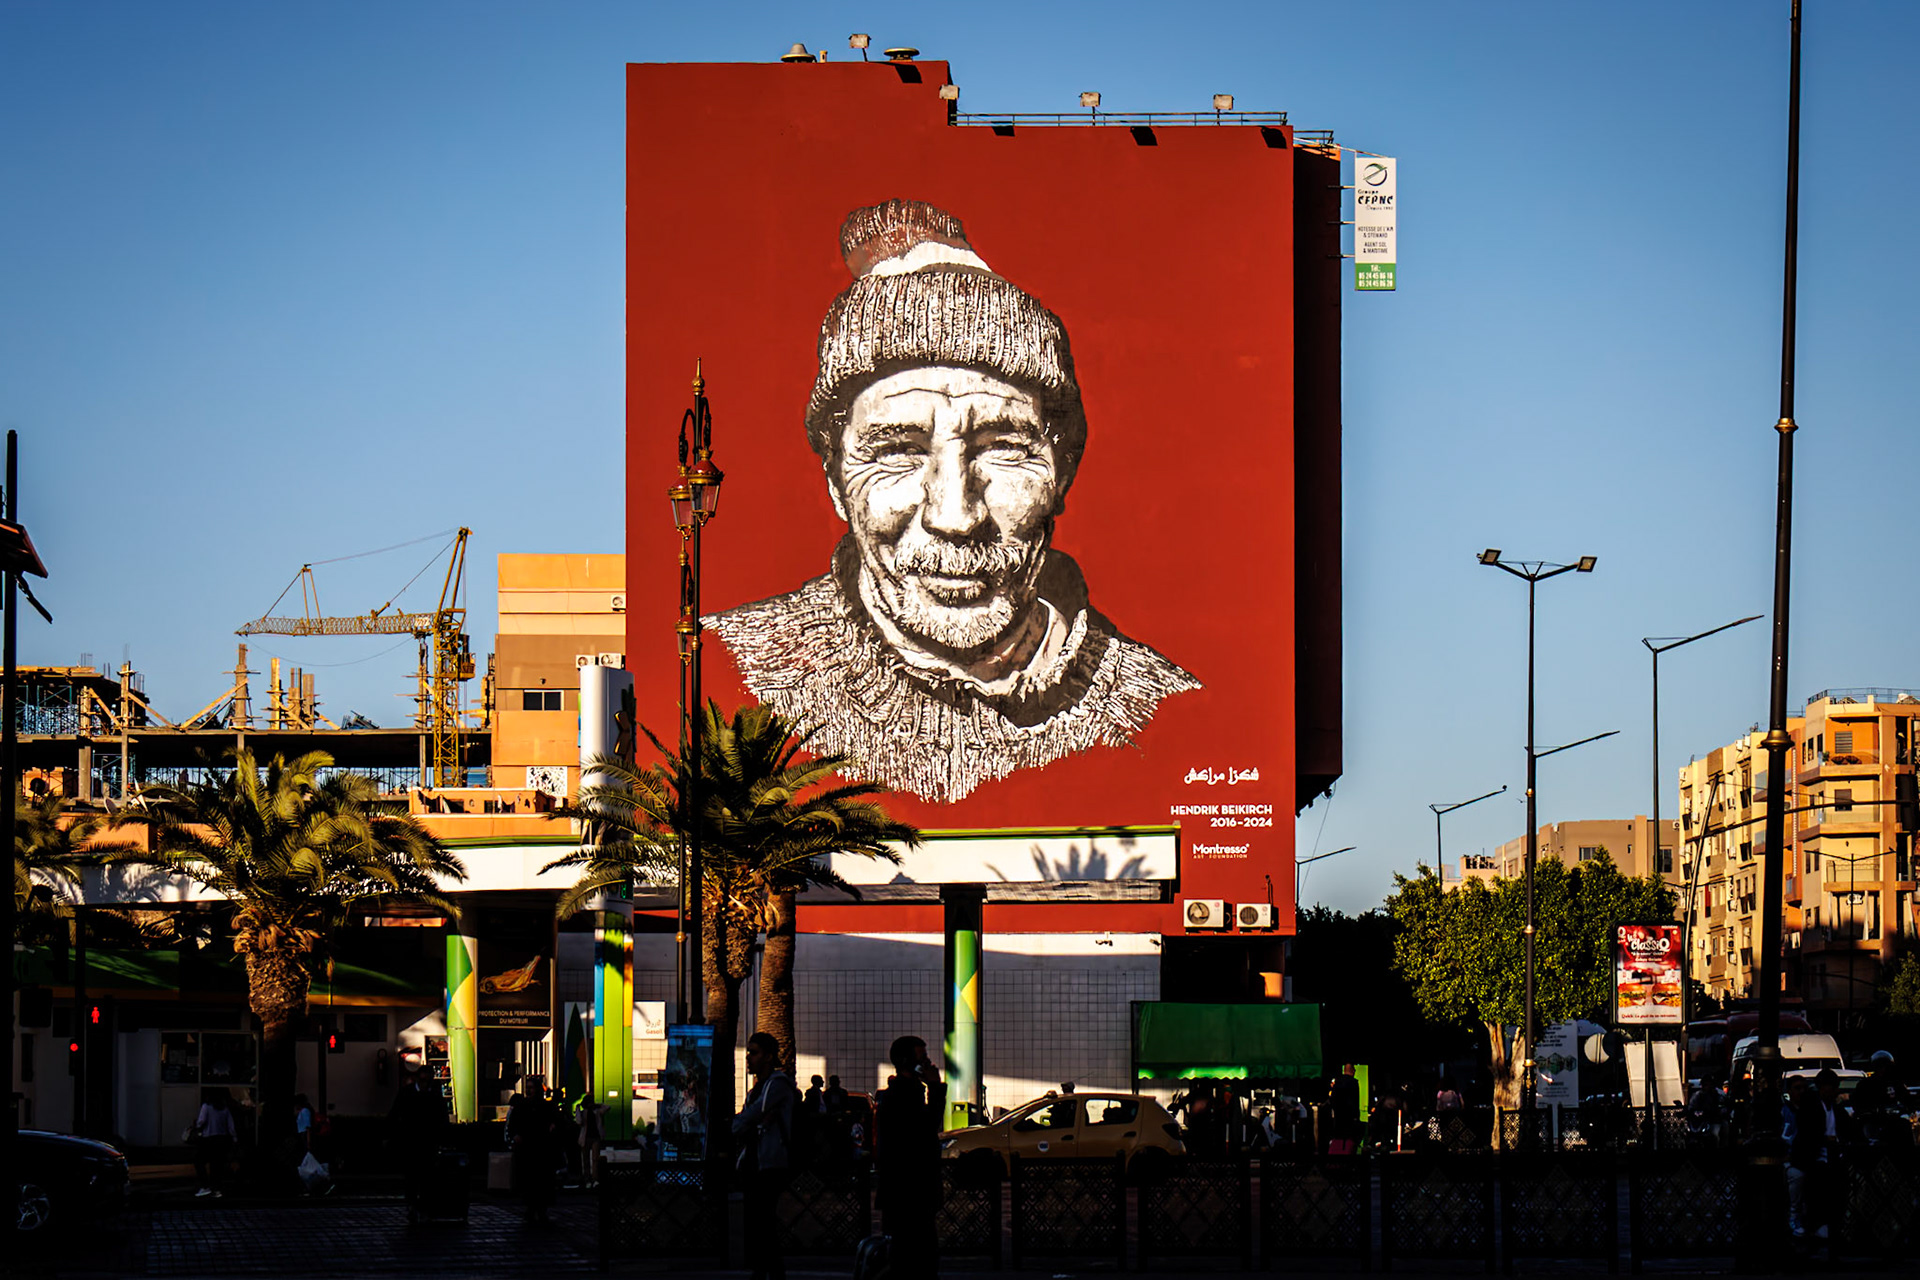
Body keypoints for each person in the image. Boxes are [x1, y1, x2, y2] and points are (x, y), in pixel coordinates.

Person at [708, 198, 1200, 805]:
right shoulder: (726, 668)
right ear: (835, 480)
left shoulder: (1163, 706)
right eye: (898, 451)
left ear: (1063, 473)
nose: (955, 515)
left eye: (1002, 448)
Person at [875, 1035, 945, 1274]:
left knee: (912, 1258)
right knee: (916, 1258)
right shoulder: (901, 1097)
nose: (928, 1063)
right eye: (922, 1058)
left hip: (908, 1191)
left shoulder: (906, 1093)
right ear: (907, 1062)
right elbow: (927, 1128)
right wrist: (936, 1088)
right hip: (909, 1191)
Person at [733, 1032, 796, 1280]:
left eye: (754, 1052)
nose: (748, 1057)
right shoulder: (757, 1089)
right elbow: (751, 1116)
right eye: (749, 1052)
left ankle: (770, 1271)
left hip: (771, 1162)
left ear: (769, 1056)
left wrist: (739, 1124)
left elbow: (752, 1114)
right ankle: (765, 1270)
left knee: (764, 1219)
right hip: (754, 1160)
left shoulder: (777, 1085)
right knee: (759, 1220)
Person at [387, 1067, 447, 1222]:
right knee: (415, 1175)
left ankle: (418, 1206)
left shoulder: (411, 1093)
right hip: (414, 1141)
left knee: (422, 1176)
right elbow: (442, 1118)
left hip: (422, 1141)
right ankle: (416, 1205)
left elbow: (442, 1119)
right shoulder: (431, 1094)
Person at [509, 1084, 559, 1225]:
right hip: (534, 1148)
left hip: (538, 1148)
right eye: (528, 1087)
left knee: (537, 1180)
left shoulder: (537, 1106)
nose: (528, 1090)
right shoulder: (530, 1106)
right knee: (534, 1181)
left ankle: (537, 1210)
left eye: (531, 1087)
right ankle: (534, 1209)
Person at [193, 1088, 237, 1198]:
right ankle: (216, 1188)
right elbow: (231, 1126)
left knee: (199, 1161)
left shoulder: (206, 1106)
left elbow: (201, 1121)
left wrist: (197, 1127)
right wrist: (234, 1139)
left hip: (209, 1138)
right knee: (216, 1165)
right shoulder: (225, 1109)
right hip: (222, 1139)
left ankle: (205, 1185)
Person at [1328, 1065, 1361, 1155]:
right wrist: (1356, 1116)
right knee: (1350, 1141)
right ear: (1352, 1071)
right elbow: (1355, 1101)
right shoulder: (1353, 1083)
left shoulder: (1337, 1083)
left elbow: (1332, 1100)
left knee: (1339, 1139)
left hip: (1339, 1117)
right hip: (1350, 1118)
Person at [577, 1097, 605, 1189]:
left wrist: (597, 1105)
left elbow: (607, 1107)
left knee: (593, 1159)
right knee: (587, 1160)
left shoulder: (596, 1111)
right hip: (588, 1138)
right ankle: (589, 1179)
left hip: (593, 1137)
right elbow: (579, 1121)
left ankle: (593, 1179)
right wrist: (578, 1110)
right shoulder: (585, 1112)